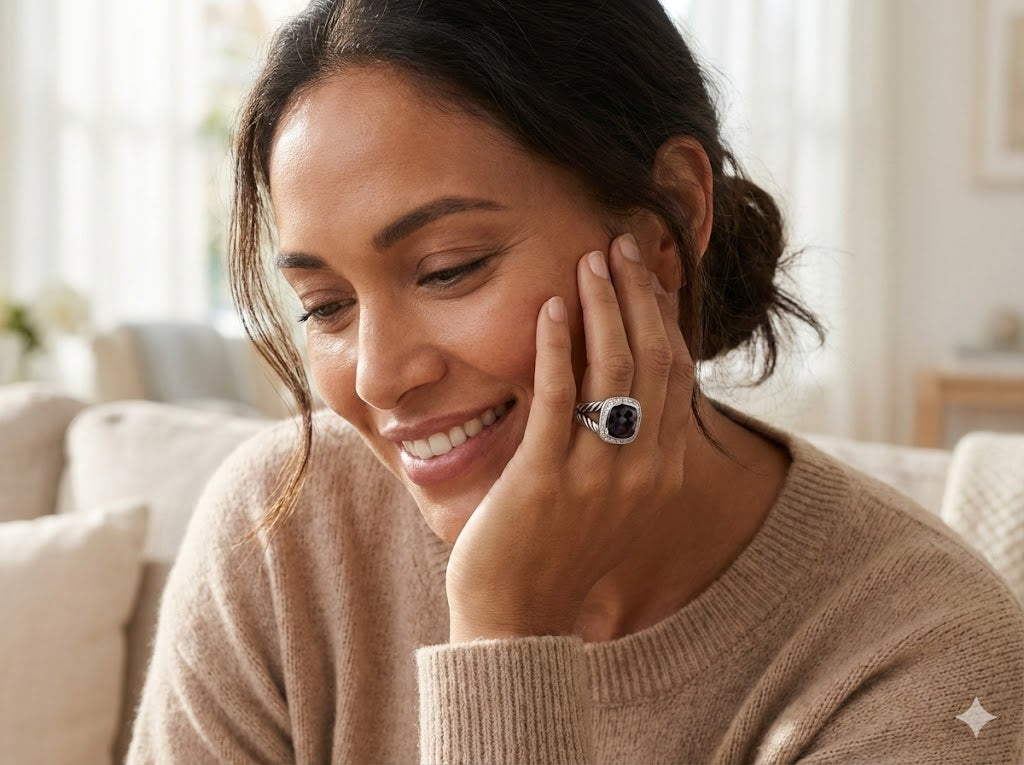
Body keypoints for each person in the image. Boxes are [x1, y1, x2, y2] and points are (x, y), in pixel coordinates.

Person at [127, 1, 1024, 762]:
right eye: (325, 306)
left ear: (667, 225)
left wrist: (507, 628)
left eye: (448, 268)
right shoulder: (280, 531)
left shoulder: (927, 657)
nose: (381, 376)